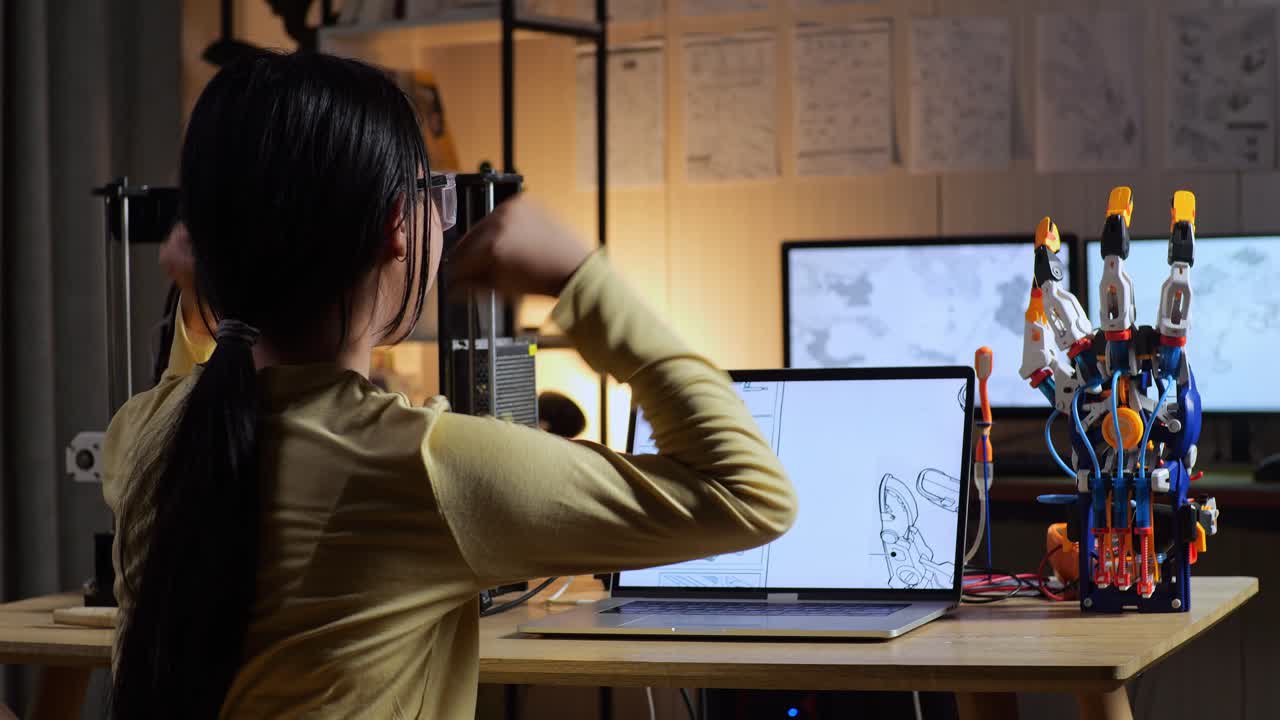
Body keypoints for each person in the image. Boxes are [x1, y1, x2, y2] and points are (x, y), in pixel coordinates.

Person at [103, 51, 796, 719]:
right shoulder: (424, 469)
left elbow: (208, 382)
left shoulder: (142, 434)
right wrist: (582, 279)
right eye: (436, 194)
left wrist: (204, 301)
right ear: (398, 227)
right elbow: (749, 494)